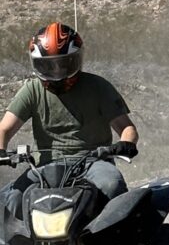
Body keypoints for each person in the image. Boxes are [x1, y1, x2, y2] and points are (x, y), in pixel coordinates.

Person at [0, 23, 138, 201]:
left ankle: (121, 229)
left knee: (112, 185)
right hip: (46, 167)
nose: (57, 72)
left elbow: (127, 128)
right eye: (48, 66)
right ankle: (23, 231)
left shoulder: (98, 87)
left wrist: (126, 144)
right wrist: (1, 150)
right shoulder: (32, 90)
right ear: (36, 64)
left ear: (76, 59)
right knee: (11, 199)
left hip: (93, 163)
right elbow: (4, 128)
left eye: (64, 64)